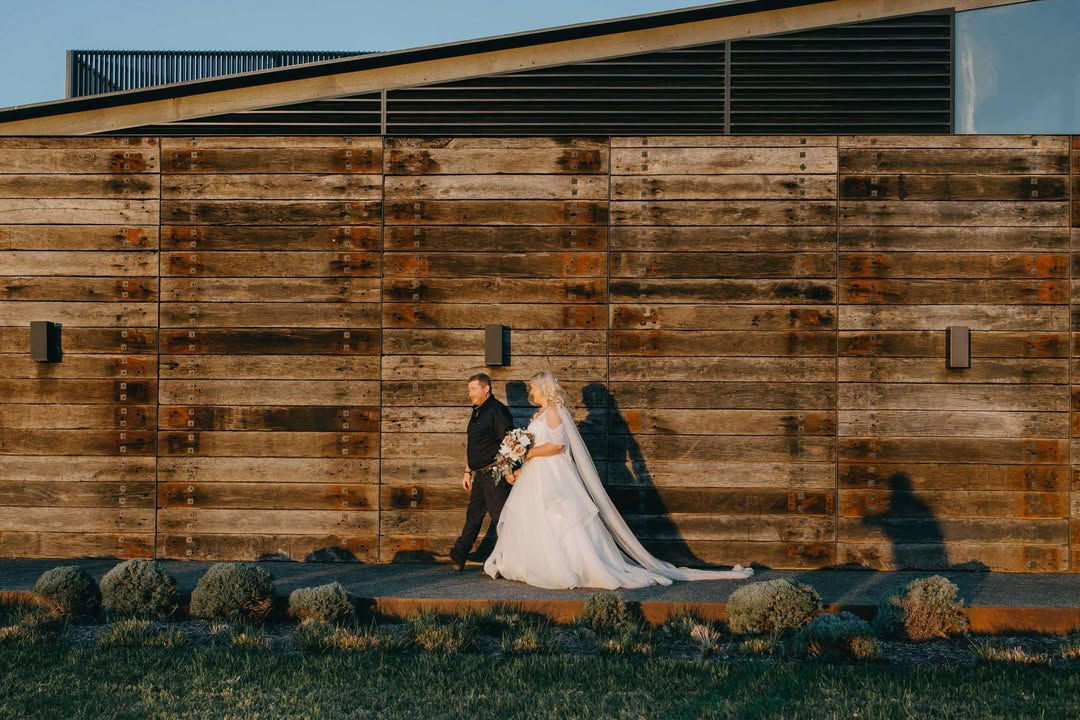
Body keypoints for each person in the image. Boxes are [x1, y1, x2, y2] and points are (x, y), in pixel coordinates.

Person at [483, 371, 755, 589]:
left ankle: (568, 565)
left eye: (533, 388)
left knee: (562, 517)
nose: (531, 392)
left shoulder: (554, 411)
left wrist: (527, 451)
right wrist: (521, 456)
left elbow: (557, 445)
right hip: (538, 472)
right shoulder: (540, 414)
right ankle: (534, 562)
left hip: (552, 472)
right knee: (537, 518)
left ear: (543, 388)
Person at [446, 372, 515, 572]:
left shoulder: (497, 410)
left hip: (494, 475)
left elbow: (509, 441)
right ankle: (458, 557)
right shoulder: (477, 411)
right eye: (469, 390)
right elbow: (474, 445)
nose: (470, 394)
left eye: (473, 389)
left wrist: (506, 470)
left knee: (500, 518)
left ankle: (509, 561)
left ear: (486, 388)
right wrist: (468, 471)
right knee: (473, 516)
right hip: (479, 474)